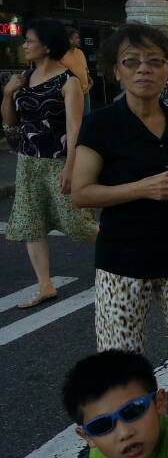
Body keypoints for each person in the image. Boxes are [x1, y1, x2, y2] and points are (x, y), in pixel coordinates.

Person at [71, 23, 168, 416]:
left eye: (154, 61)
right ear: (115, 70)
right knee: (119, 365)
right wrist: (141, 188)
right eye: (131, 62)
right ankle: (130, 444)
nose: (143, 70)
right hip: (122, 261)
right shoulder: (101, 125)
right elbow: (81, 193)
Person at [2, 19, 98, 309]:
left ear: (46, 46)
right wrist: (7, 93)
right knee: (31, 223)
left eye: (29, 40)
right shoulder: (24, 78)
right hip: (28, 162)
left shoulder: (68, 82)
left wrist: (71, 168)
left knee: (79, 223)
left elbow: (75, 129)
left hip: (59, 161)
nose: (25, 45)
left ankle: (128, 253)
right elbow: (10, 121)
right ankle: (45, 285)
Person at [61, 28, 93, 115]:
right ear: (69, 39)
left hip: (85, 91)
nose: (79, 40)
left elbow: (85, 68)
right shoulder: (61, 55)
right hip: (72, 94)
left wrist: (90, 79)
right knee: (75, 118)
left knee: (87, 117)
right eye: (76, 38)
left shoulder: (80, 52)